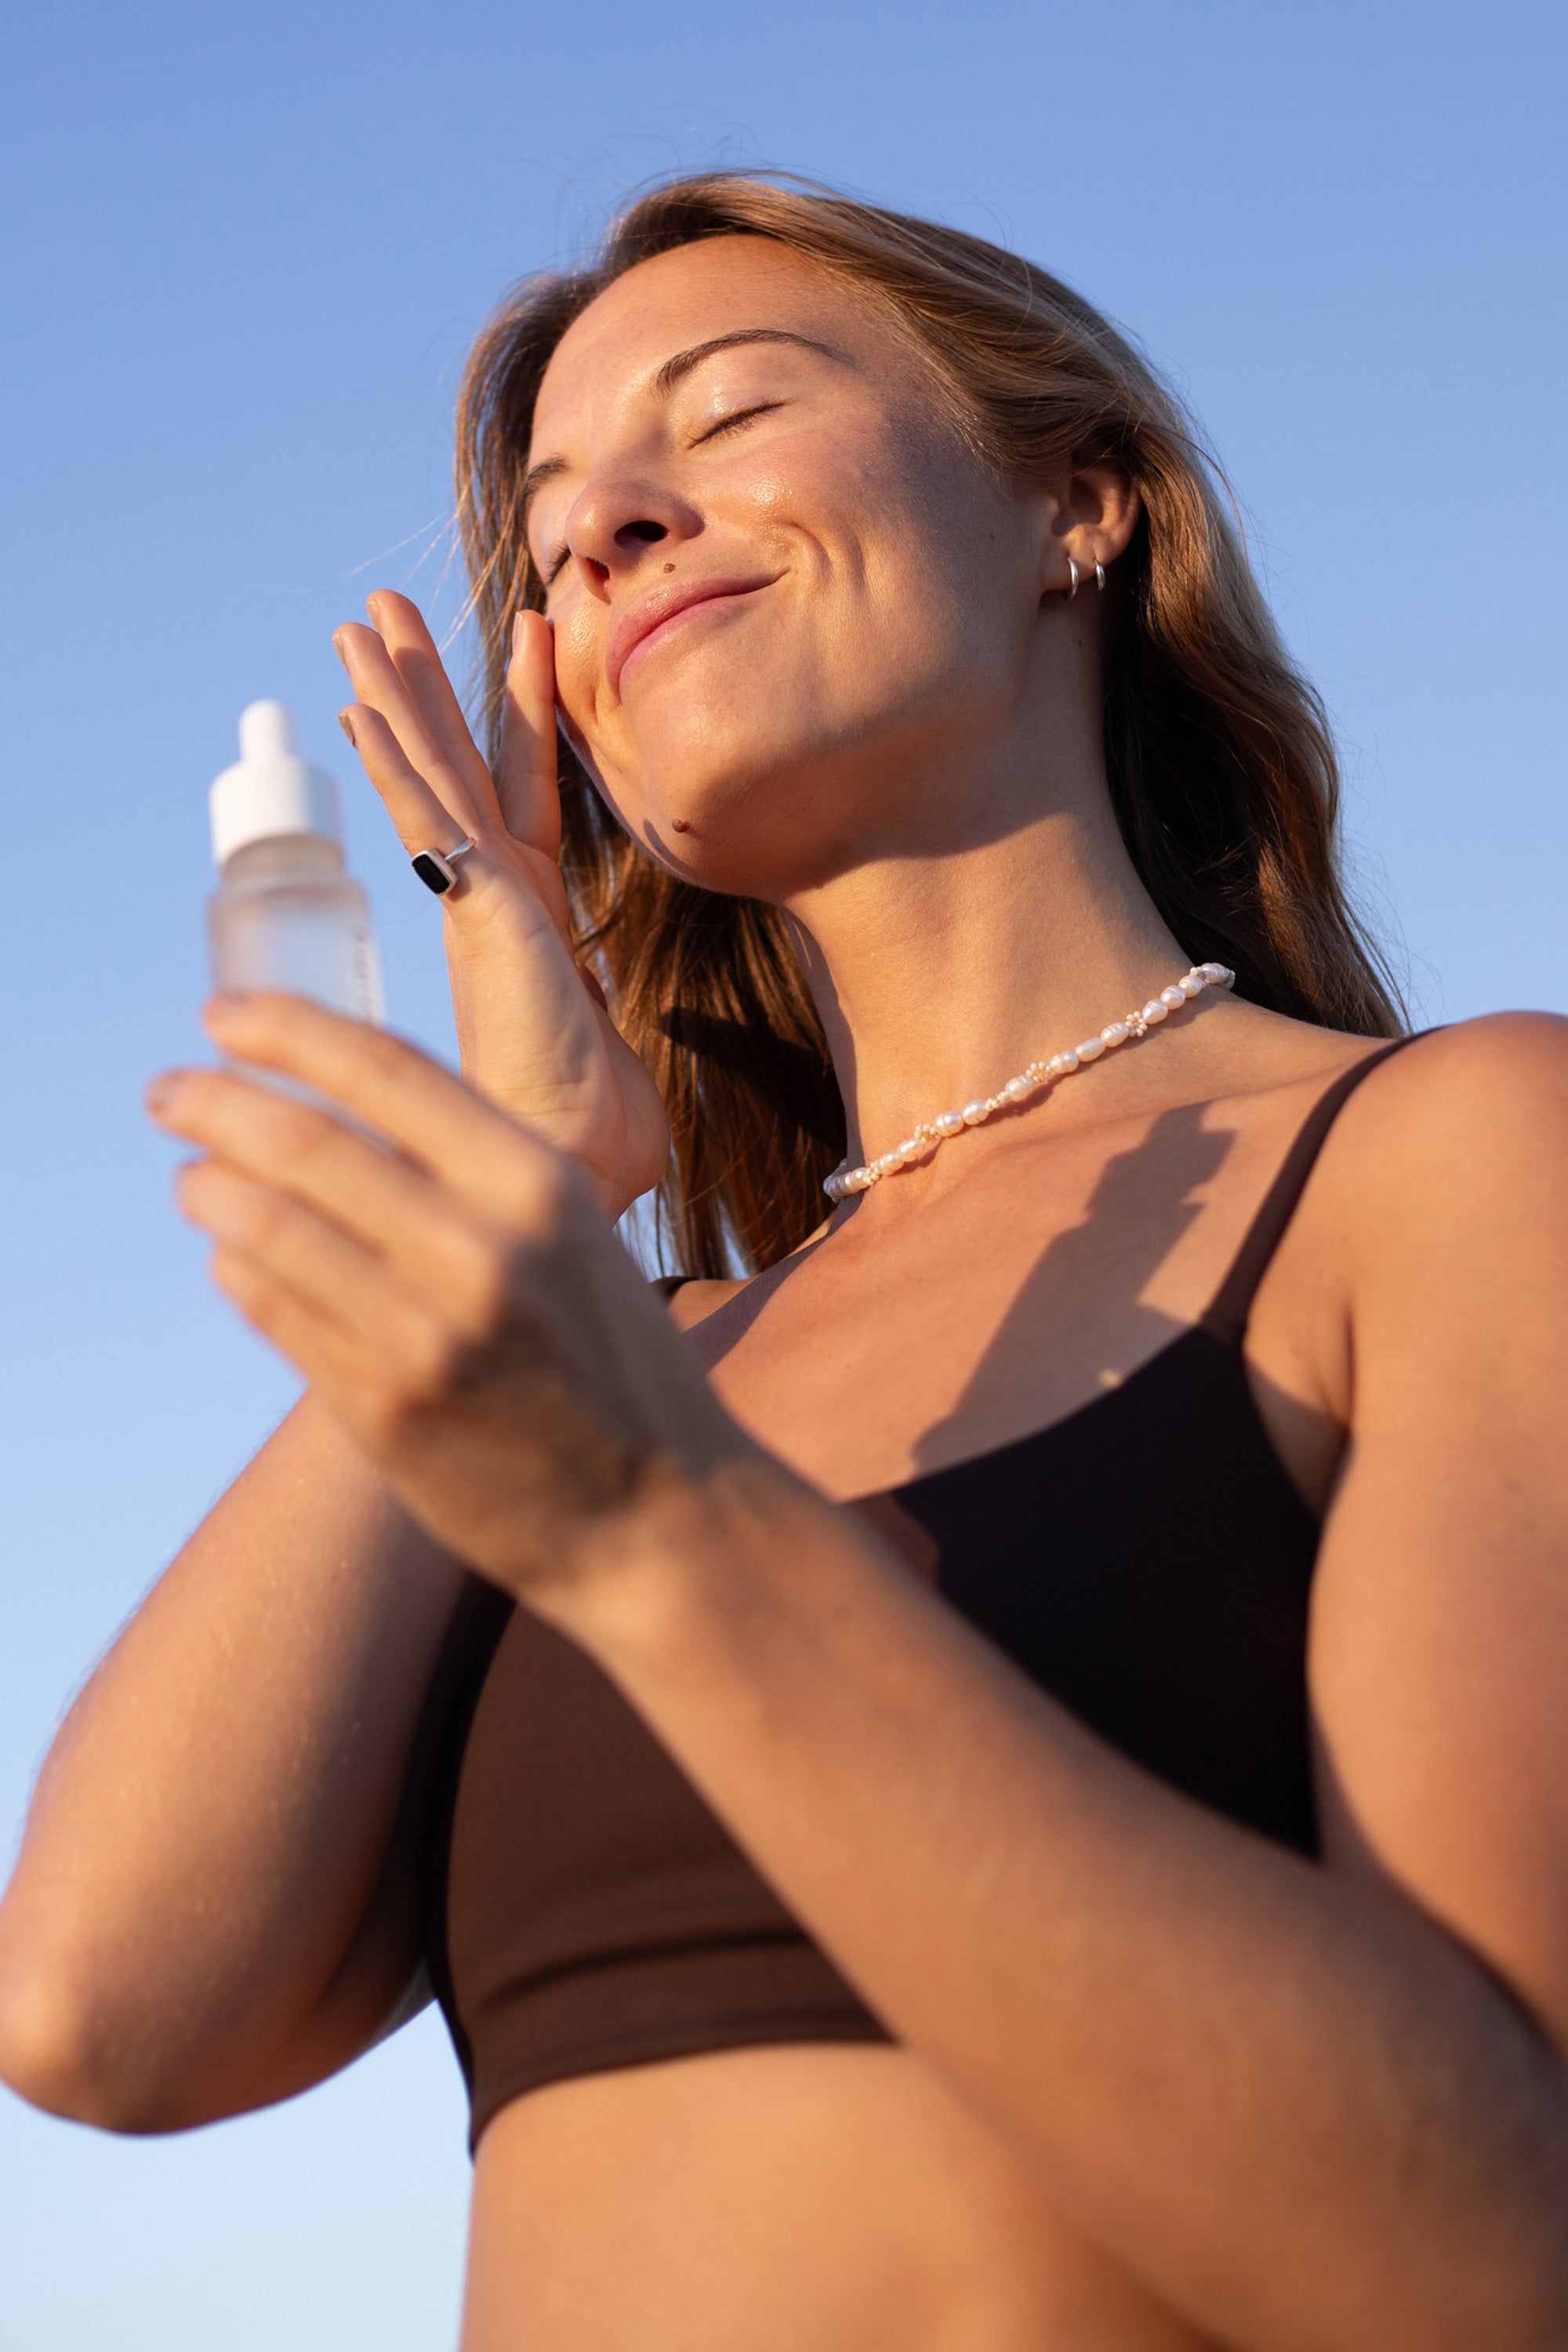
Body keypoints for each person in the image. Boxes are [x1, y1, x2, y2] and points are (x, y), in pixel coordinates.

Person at [2, 172, 1567, 2352]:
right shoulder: (620, 1357)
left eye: (727, 413)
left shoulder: (1453, 1158)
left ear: (1079, 508)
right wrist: (548, 1188)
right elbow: (103, 2010)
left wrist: (660, 1527)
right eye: (553, 531)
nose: (605, 527)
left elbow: (1493, 2251)